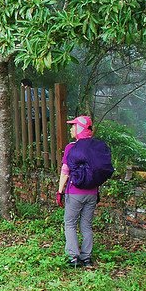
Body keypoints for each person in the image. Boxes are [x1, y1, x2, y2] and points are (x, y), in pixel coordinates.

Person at [56, 115, 99, 268]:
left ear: (79, 129)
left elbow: (65, 171)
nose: (71, 128)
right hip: (92, 193)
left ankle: (74, 258)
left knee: (70, 224)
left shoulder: (71, 148)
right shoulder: (95, 147)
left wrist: (60, 192)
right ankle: (87, 258)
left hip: (75, 192)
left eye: (73, 126)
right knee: (86, 225)